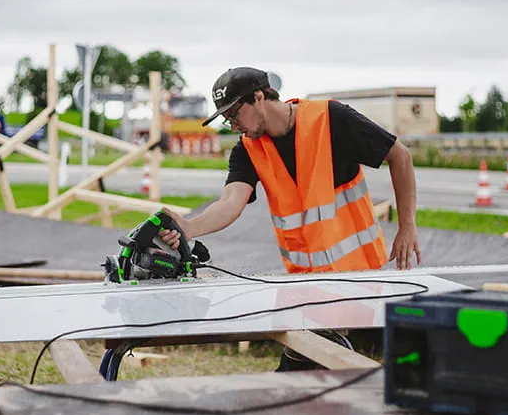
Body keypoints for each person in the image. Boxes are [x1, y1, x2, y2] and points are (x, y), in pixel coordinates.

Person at [160, 66, 421, 271]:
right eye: (227, 121)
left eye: (234, 116)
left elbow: (400, 156)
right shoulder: (248, 149)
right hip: (304, 282)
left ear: (259, 98)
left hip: (361, 272)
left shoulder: (330, 118)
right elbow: (230, 202)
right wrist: (190, 228)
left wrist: (407, 225)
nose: (234, 126)